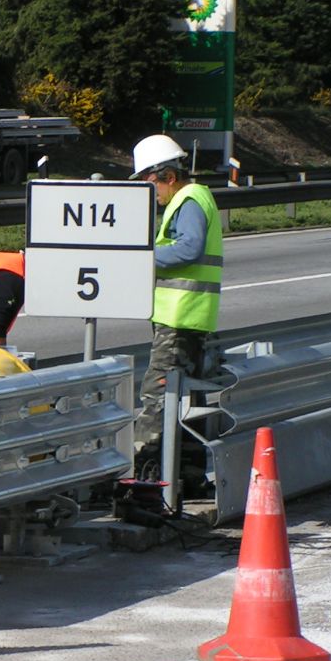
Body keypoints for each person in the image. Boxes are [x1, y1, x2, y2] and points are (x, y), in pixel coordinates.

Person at [128, 133, 223, 465]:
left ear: (168, 176)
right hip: (187, 319)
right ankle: (187, 474)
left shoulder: (189, 201)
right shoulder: (192, 199)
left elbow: (189, 248)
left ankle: (142, 470)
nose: (150, 192)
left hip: (180, 320)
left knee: (158, 398)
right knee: (185, 400)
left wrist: (144, 255)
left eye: (150, 182)